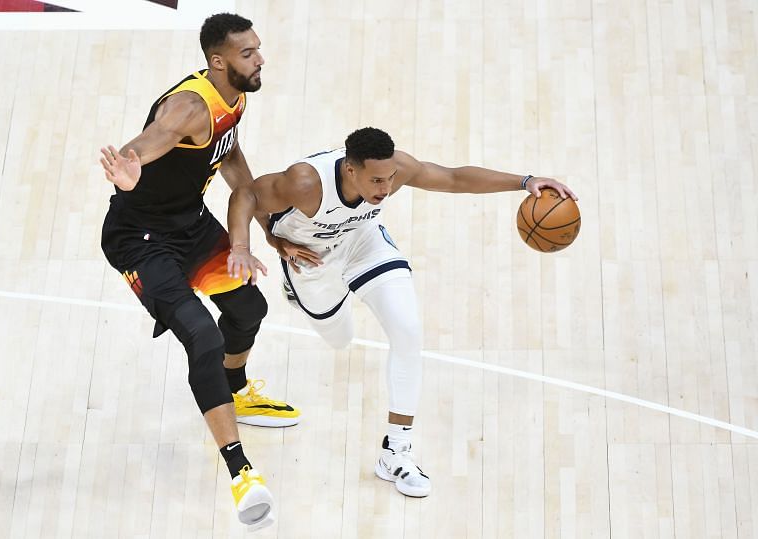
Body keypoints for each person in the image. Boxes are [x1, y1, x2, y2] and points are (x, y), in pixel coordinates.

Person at [226, 127, 577, 498]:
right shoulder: (305, 182)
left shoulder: (395, 170)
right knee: (340, 338)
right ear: (350, 170)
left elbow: (455, 178)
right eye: (376, 180)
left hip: (363, 242)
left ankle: (396, 452)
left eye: (390, 178)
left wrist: (525, 182)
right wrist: (251, 243)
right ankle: (298, 294)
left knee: (408, 331)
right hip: (311, 257)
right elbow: (246, 194)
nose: (385, 188)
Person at [98, 13, 300, 531]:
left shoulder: (235, 97)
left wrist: (260, 227)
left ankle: (235, 388)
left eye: (258, 49)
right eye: (248, 53)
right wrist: (129, 164)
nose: (260, 59)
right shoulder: (189, 106)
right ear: (218, 60)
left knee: (249, 306)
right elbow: (153, 138)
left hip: (190, 225)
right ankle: (241, 472)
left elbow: (232, 163)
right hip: (142, 243)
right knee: (202, 338)